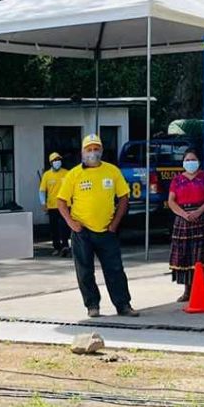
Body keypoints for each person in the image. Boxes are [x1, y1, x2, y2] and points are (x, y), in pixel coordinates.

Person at [57, 133, 139, 318]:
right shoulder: (74, 174)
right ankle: (92, 305)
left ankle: (123, 305)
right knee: (85, 271)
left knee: (115, 269)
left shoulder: (112, 171)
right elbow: (61, 201)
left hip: (107, 230)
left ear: (101, 151)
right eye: (89, 149)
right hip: (82, 231)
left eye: (96, 149)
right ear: (82, 152)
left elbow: (124, 198)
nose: (92, 153)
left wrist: (114, 224)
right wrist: (72, 223)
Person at [167, 148, 204, 303]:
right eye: (187, 160)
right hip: (183, 219)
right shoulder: (177, 180)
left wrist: (199, 212)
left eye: (193, 159)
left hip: (203, 218)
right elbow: (171, 201)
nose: (190, 163)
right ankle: (187, 291)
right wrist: (184, 214)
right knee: (186, 255)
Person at [38, 152, 70, 256]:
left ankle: (65, 245)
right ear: (51, 162)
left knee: (65, 226)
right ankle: (57, 247)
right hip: (52, 206)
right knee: (54, 228)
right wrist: (43, 203)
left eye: (58, 160)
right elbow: (42, 191)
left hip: (66, 205)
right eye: (55, 160)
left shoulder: (67, 173)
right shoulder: (47, 175)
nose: (57, 162)